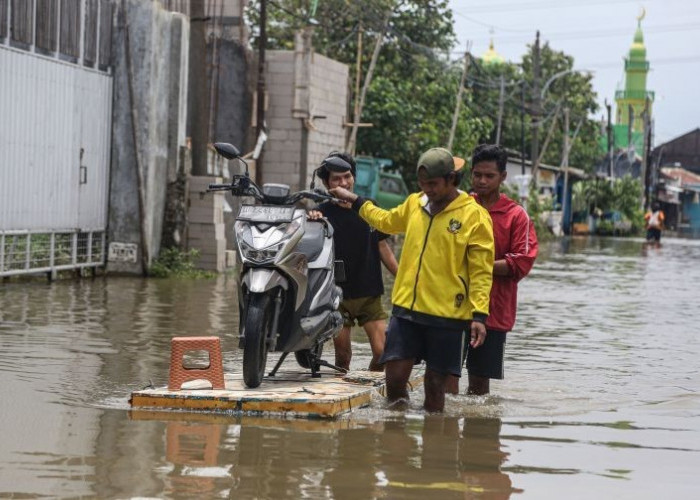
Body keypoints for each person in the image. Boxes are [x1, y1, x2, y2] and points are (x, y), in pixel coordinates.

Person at [330, 147, 494, 412]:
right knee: (394, 380)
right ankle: (396, 441)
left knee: (434, 387)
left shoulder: (474, 217)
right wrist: (356, 200)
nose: (427, 189)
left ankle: (434, 444)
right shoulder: (415, 204)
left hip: (447, 316)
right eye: (422, 184)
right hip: (407, 311)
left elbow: (481, 271)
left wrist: (479, 316)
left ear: (451, 179)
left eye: (433, 184)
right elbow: (385, 220)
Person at [446, 144, 538, 396]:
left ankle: (480, 436)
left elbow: (520, 262)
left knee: (478, 384)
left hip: (493, 312)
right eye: (477, 175)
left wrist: (473, 264)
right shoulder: (458, 206)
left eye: (489, 176)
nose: (482, 181)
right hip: (452, 306)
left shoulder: (516, 216)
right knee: (444, 378)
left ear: (503, 177)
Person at [311, 152, 398, 372]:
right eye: (336, 179)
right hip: (337, 296)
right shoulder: (321, 213)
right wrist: (312, 222)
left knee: (382, 353)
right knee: (343, 357)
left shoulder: (369, 207)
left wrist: (402, 275)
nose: (343, 183)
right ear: (327, 183)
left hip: (369, 293)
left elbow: (382, 246)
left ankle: (368, 391)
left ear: (354, 178)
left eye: (347, 176)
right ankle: (343, 397)